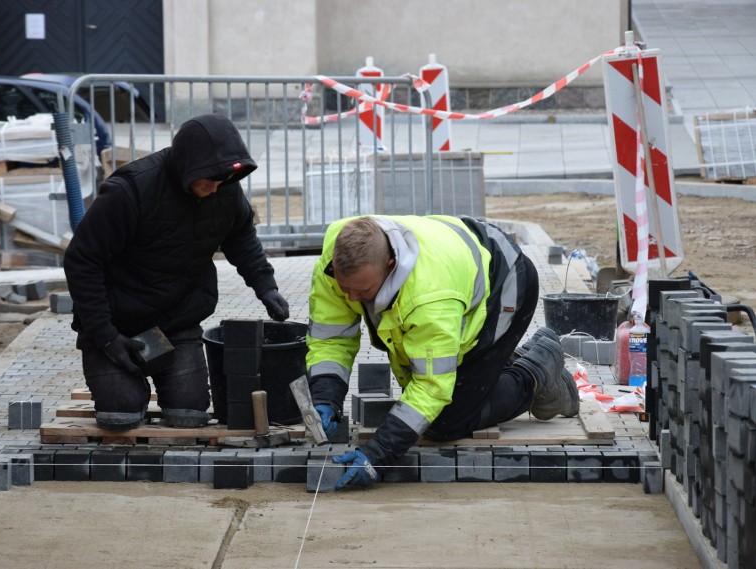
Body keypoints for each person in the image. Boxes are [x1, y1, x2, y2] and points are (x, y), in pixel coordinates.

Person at [306, 215, 579, 489]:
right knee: (447, 392)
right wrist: (325, 397)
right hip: (461, 267)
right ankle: (505, 369)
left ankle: (538, 367)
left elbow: (431, 387)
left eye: (362, 290)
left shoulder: (429, 299)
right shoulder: (338, 260)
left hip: (505, 281)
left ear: (391, 267)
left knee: (446, 420)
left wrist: (377, 454)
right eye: (345, 289)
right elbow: (331, 337)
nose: (352, 298)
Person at [64, 113, 289, 431]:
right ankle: (130, 387)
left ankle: (162, 383)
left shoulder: (222, 188)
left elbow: (241, 237)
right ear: (188, 167)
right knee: (120, 416)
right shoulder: (129, 192)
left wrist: (266, 287)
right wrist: (106, 336)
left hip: (176, 322)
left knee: (189, 414)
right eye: (208, 181)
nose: (214, 189)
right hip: (117, 324)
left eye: (220, 182)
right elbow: (82, 261)